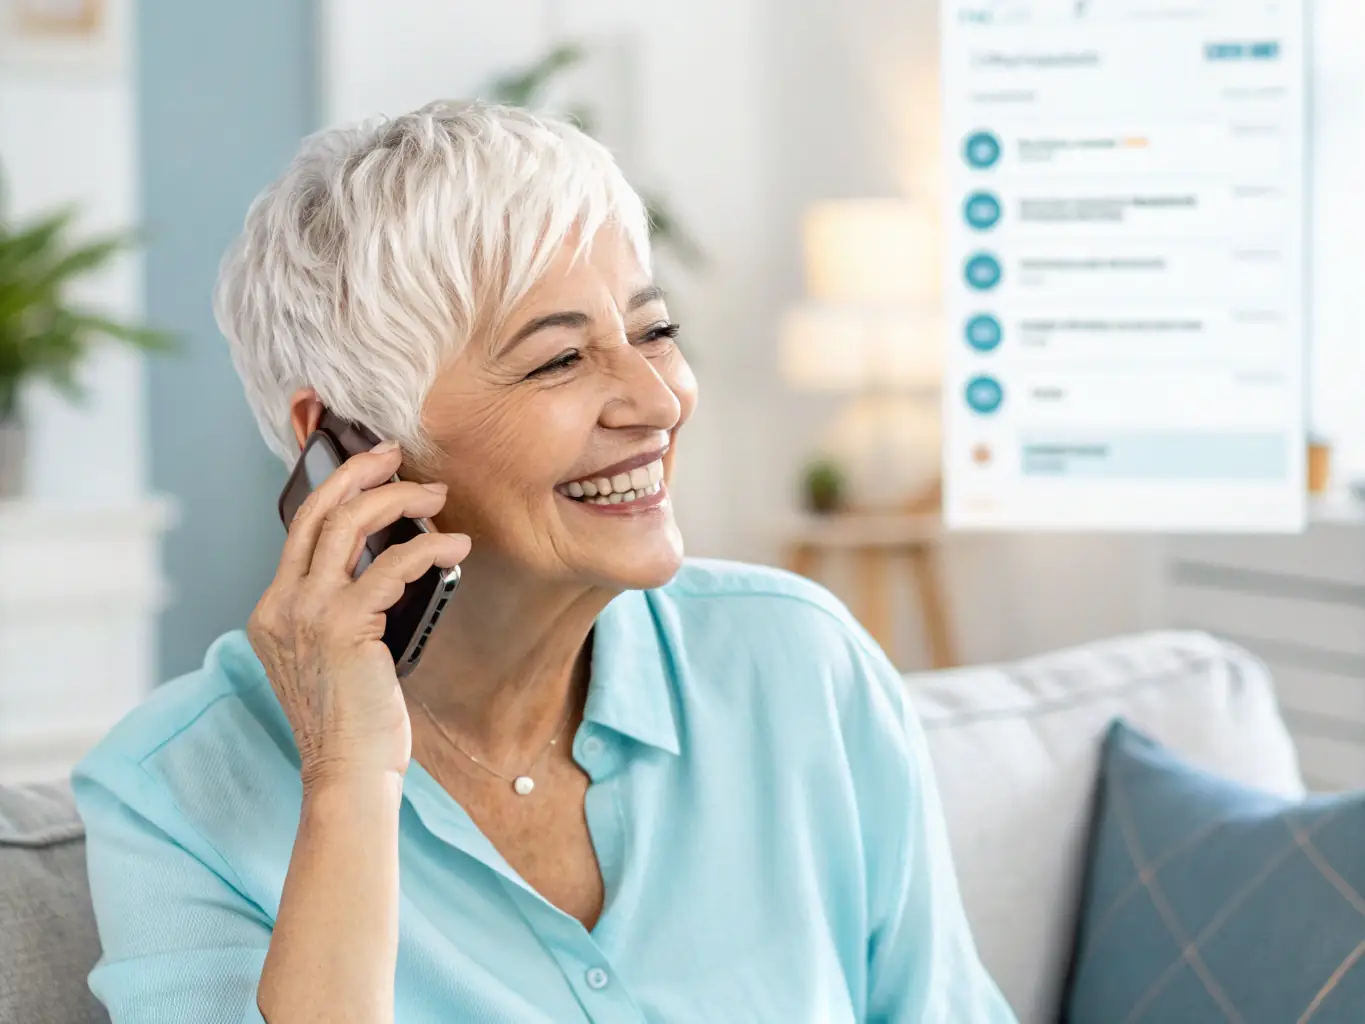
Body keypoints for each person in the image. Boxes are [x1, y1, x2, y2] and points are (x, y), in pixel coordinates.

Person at [73, 101, 1016, 1023]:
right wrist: (347, 783)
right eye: (559, 360)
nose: (656, 400)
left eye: (653, 333)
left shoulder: (801, 665)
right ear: (349, 443)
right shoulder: (175, 794)